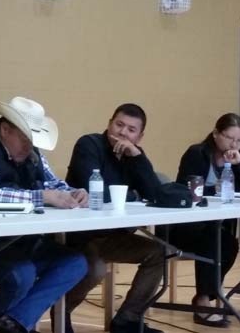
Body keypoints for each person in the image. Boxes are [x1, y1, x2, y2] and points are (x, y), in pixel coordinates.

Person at [0, 96, 88, 333]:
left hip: (20, 239)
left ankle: (12, 323)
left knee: (75, 263)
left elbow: (52, 184)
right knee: (22, 274)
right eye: (25, 138)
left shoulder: (29, 151)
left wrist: (74, 193)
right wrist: (43, 196)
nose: (29, 146)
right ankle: (4, 317)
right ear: (5, 129)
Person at [166, 113, 240, 327]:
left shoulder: (238, 159)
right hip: (184, 227)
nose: (233, 144)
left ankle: (206, 296)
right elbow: (188, 189)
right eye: (228, 138)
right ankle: (204, 301)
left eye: (239, 140)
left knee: (229, 244)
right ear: (216, 134)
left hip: (215, 227)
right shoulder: (197, 153)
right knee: (214, 240)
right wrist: (213, 191)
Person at [65, 103, 165, 333]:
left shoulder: (134, 155)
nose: (123, 132)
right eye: (119, 125)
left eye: (131, 129)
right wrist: (132, 194)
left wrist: (138, 158)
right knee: (95, 269)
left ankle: (127, 320)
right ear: (109, 123)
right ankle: (63, 311)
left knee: (158, 252)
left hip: (114, 235)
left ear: (140, 136)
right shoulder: (89, 144)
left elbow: (154, 193)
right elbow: (93, 188)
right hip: (80, 236)